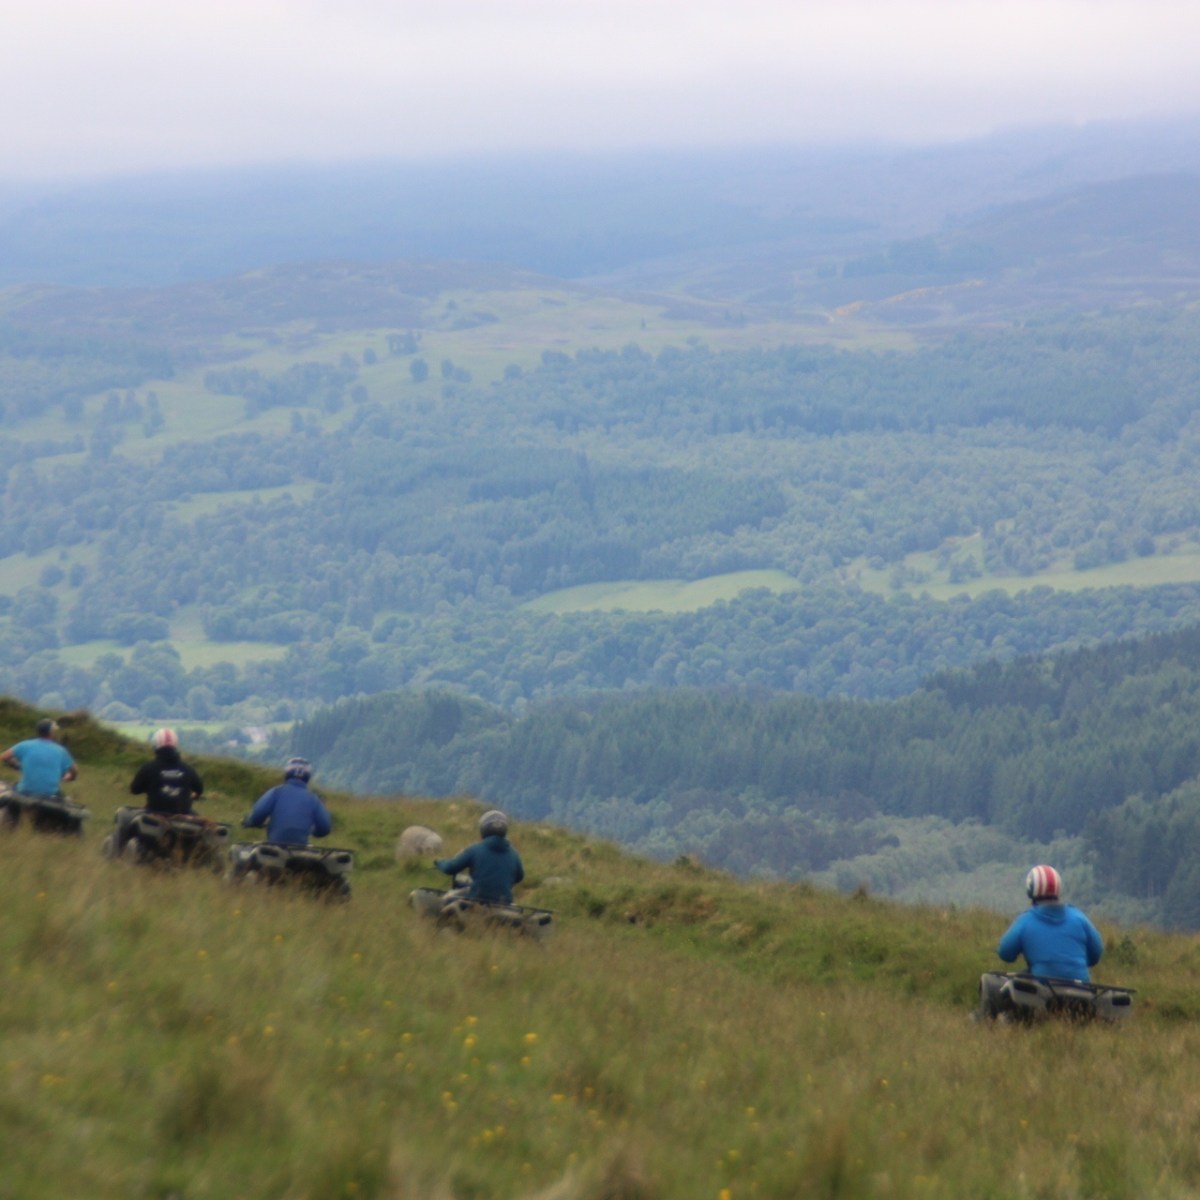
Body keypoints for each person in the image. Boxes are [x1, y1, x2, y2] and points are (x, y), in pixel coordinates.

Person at [997, 865, 1104, 981]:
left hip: (1041, 991)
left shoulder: (1026, 921)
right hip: (1082, 989)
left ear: (1030, 889)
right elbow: (1096, 953)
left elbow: (1005, 953)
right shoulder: (1079, 917)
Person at [434, 809, 524, 905]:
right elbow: (519, 876)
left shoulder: (475, 849)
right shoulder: (514, 854)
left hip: (477, 898)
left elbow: (450, 868)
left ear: (484, 829)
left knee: (447, 898)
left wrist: (439, 862)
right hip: (505, 902)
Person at [243, 757, 332, 845]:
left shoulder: (276, 792)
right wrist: (313, 832)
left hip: (274, 846)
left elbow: (258, 813)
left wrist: (249, 822)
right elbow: (325, 828)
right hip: (301, 849)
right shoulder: (314, 799)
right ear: (308, 777)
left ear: (287, 773)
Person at [130, 728, 204, 815]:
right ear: (175, 745)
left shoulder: (148, 768)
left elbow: (134, 789)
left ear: (155, 745)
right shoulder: (188, 769)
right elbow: (199, 789)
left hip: (154, 814)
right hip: (183, 814)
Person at [1, 718, 78, 797]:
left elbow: (3, 757)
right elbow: (74, 770)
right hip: (50, 794)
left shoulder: (24, 745)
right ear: (52, 732)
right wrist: (69, 777)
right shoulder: (61, 751)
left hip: (25, 791)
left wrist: (19, 766)